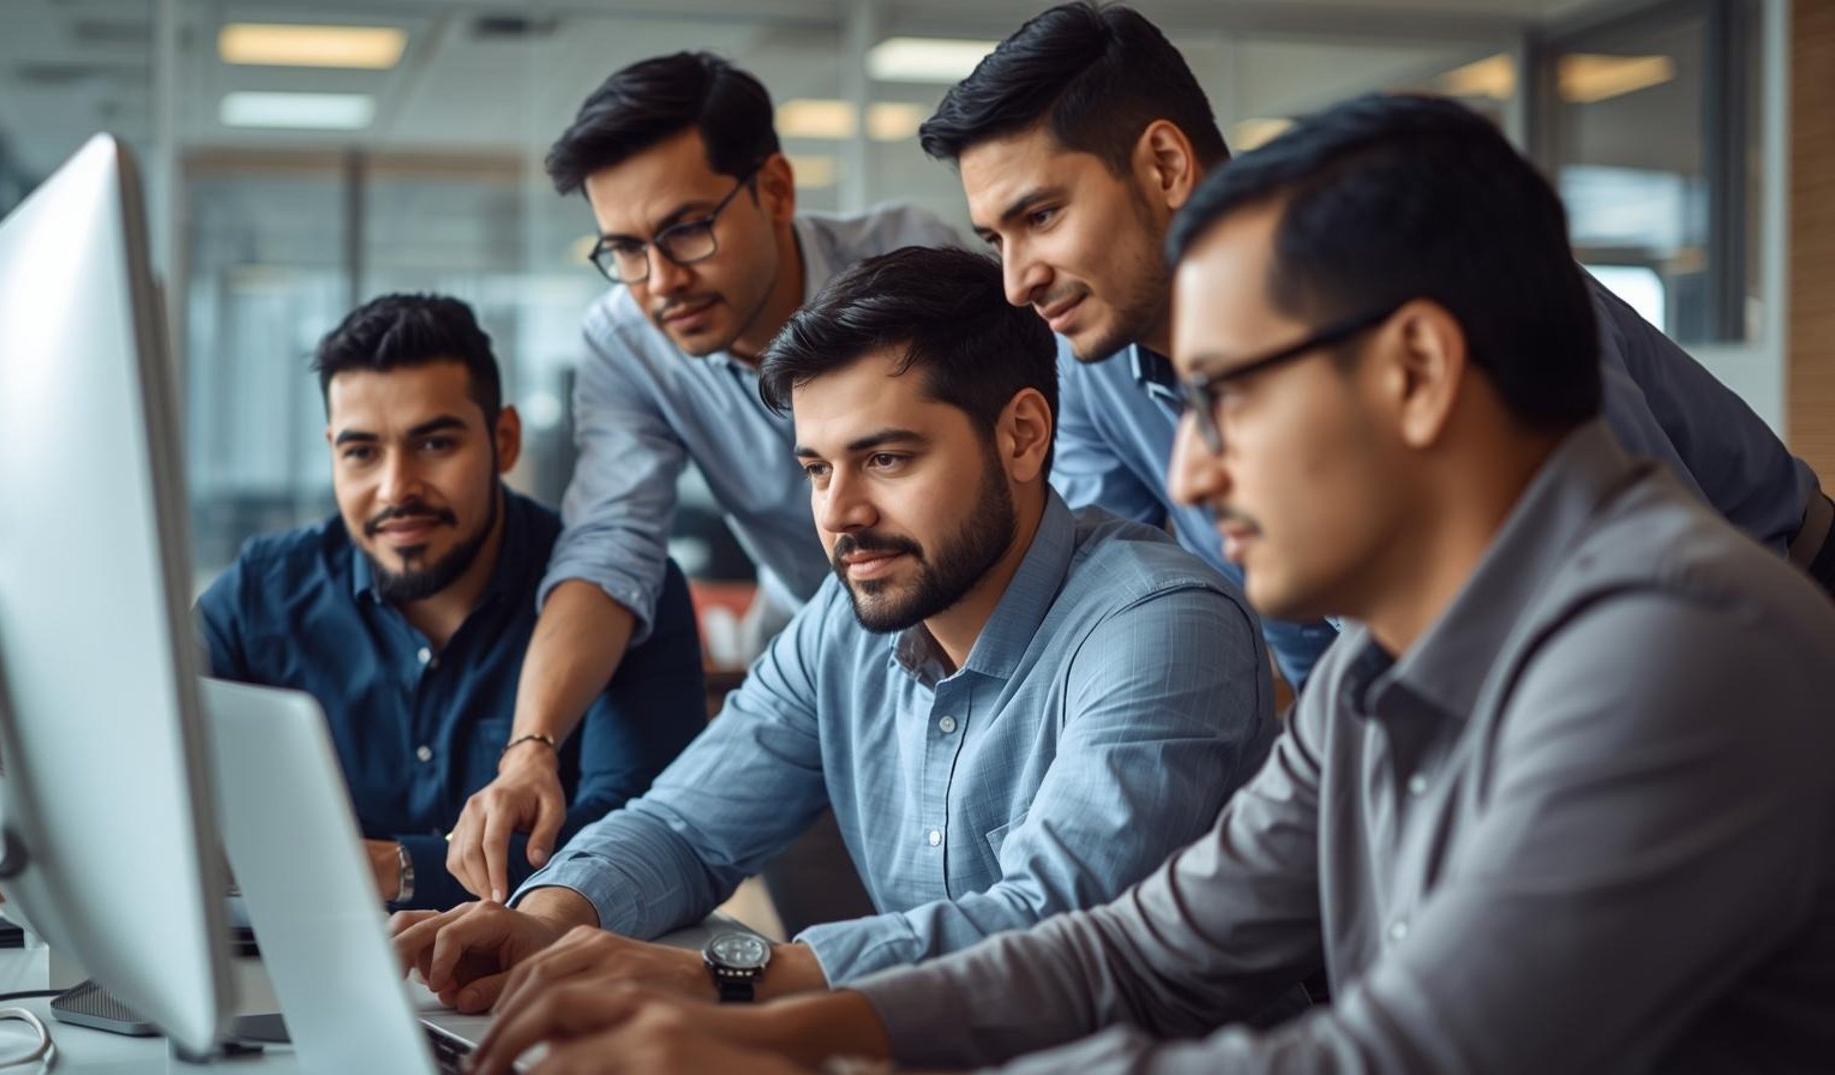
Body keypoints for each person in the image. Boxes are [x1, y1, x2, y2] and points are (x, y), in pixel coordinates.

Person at [458, 94, 1835, 1075]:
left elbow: (1406, 1053)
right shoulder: (1375, 665)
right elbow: (1132, 947)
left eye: (1230, 393)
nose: (1190, 460)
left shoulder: (1675, 646)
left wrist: (768, 1021)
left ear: (1414, 371)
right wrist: (784, 1019)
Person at [389, 245, 1283, 1016]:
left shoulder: (1161, 626)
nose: (840, 513)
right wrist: (547, 924)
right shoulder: (846, 622)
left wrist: (725, 979)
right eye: (817, 467)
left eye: (886, 458)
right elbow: (685, 826)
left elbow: (1047, 922)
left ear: (1021, 435)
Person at [918, 1, 1834, 689]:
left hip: (1759, 632)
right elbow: (1112, 599)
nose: (1018, 279)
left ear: (1164, 166)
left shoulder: (1406, 261)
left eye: (1040, 216)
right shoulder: (1095, 362)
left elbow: (1652, 597)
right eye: (995, 239)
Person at [448, 52, 967, 904]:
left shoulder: (916, 264)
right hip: (818, 639)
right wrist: (532, 746)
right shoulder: (627, 340)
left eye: (687, 229)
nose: (660, 284)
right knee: (828, 942)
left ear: (775, 190)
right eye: (624, 249)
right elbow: (610, 549)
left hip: (986, 633)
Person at [197, 293, 707, 911]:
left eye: (434, 444)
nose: (396, 488)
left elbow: (638, 834)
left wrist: (396, 868)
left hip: (545, 975)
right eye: (361, 452)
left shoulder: (618, 594)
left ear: (505, 440)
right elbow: (163, 784)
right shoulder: (260, 595)